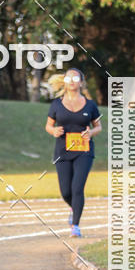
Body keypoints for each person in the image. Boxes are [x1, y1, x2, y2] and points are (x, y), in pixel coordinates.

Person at [45, 68, 101, 237]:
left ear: (81, 82)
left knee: (77, 188)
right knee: (66, 191)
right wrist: (53, 131)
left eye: (75, 78)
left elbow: (98, 127)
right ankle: (74, 207)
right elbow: (48, 125)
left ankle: (75, 225)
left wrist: (90, 133)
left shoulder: (90, 105)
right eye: (69, 78)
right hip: (62, 151)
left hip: (84, 151)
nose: (72, 81)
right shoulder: (56, 104)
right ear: (65, 81)